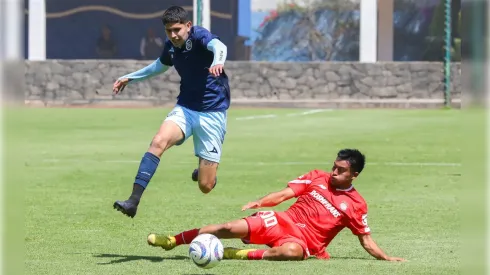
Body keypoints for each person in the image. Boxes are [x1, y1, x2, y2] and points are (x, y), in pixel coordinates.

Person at [146, 149, 406, 262]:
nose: (333, 172)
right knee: (227, 226)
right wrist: (261, 201)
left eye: (340, 170)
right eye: (334, 166)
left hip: (304, 242)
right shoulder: (317, 176)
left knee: (292, 253)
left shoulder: (356, 205)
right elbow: (283, 195)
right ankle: (173, 240)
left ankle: (236, 254)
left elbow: (366, 239)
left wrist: (386, 257)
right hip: (283, 221)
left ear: (354, 175)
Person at [112, 6, 230, 218]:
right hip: (185, 107)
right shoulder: (171, 46)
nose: (174, 35)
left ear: (187, 26)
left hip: (212, 112)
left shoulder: (200, 35)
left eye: (177, 29)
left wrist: (218, 61)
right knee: (158, 142)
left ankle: (205, 173)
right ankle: (133, 201)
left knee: (205, 186)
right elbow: (159, 66)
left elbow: (219, 46)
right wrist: (131, 77)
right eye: (169, 31)